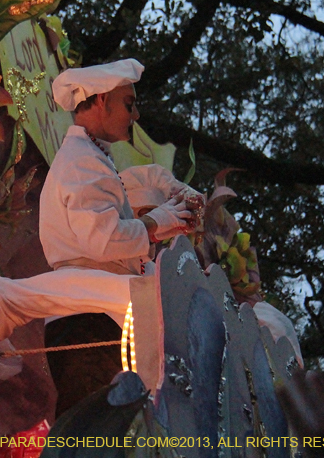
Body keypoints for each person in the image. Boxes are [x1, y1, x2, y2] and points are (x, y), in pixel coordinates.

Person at [40, 58, 203, 417]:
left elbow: (116, 234)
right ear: (101, 101)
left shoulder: (92, 158)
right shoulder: (82, 161)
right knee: (91, 434)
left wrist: (166, 216)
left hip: (96, 313)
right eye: (129, 104)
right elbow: (104, 239)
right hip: (86, 317)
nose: (136, 115)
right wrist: (157, 222)